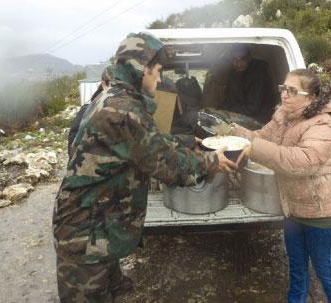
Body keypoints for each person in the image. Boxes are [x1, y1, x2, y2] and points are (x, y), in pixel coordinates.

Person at [53, 32, 237, 303]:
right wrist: (212, 161)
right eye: (158, 71)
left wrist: (188, 140)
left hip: (98, 224)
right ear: (141, 69)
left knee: (115, 290)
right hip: (85, 234)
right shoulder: (125, 111)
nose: (160, 79)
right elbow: (167, 165)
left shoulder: (115, 98)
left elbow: (144, 143)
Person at [232, 69, 331, 303]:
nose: (284, 95)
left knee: (326, 271)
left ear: (311, 97)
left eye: (292, 91)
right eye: (283, 88)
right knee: (296, 267)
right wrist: (237, 134)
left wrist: (253, 147)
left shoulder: (322, 125)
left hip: (323, 213)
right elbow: (262, 137)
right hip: (293, 209)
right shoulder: (283, 117)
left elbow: (302, 161)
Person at [201, 43, 276, 126]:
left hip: (257, 119)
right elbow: (229, 98)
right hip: (241, 114)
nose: (238, 63)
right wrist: (220, 110)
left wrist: (227, 112)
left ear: (249, 58)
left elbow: (252, 108)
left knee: (214, 121)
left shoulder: (258, 76)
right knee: (206, 114)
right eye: (235, 59)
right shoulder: (235, 73)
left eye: (242, 59)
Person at [67, 67, 112, 157]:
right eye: (112, 86)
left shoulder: (131, 112)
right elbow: (73, 145)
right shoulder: (87, 112)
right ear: (103, 84)